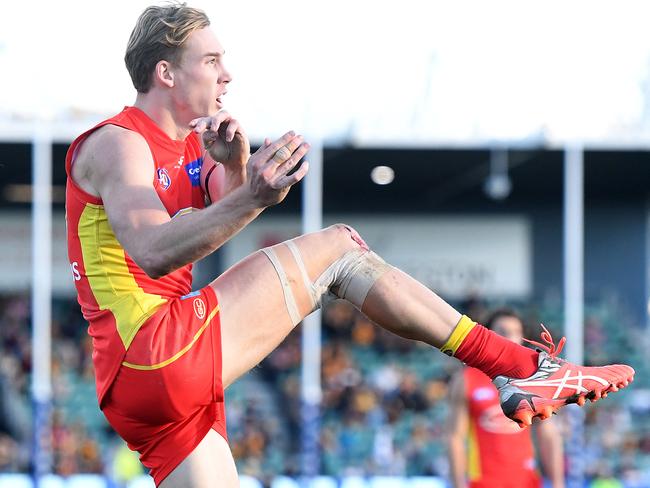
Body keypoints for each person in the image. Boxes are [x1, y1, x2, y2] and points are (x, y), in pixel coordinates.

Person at [64, 3, 634, 487]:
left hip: (144, 387)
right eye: (211, 61)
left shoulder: (192, 145)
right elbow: (153, 250)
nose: (227, 75)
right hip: (155, 348)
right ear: (165, 72)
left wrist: (235, 167)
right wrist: (253, 196)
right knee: (339, 249)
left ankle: (522, 370)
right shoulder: (119, 143)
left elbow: (224, 210)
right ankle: (518, 365)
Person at [448, 309, 565, 488]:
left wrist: (558, 483)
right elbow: (456, 438)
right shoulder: (466, 380)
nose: (511, 338)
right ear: (489, 338)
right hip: (483, 483)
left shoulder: (534, 381)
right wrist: (458, 484)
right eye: (503, 332)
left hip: (527, 483)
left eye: (516, 333)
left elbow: (548, 435)